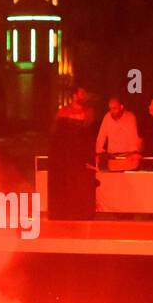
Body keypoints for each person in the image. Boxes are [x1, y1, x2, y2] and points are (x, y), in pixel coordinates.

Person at [48, 87, 98, 218]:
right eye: (82, 93)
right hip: (67, 160)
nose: (85, 95)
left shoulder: (89, 112)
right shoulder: (63, 112)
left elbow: (88, 125)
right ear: (75, 96)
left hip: (82, 159)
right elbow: (56, 133)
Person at [95, 96, 141, 169]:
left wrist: (134, 153)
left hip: (127, 157)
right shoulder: (107, 117)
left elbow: (133, 137)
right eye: (110, 108)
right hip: (112, 157)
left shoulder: (130, 117)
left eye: (114, 108)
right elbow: (101, 136)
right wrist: (98, 152)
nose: (112, 111)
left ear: (121, 107)